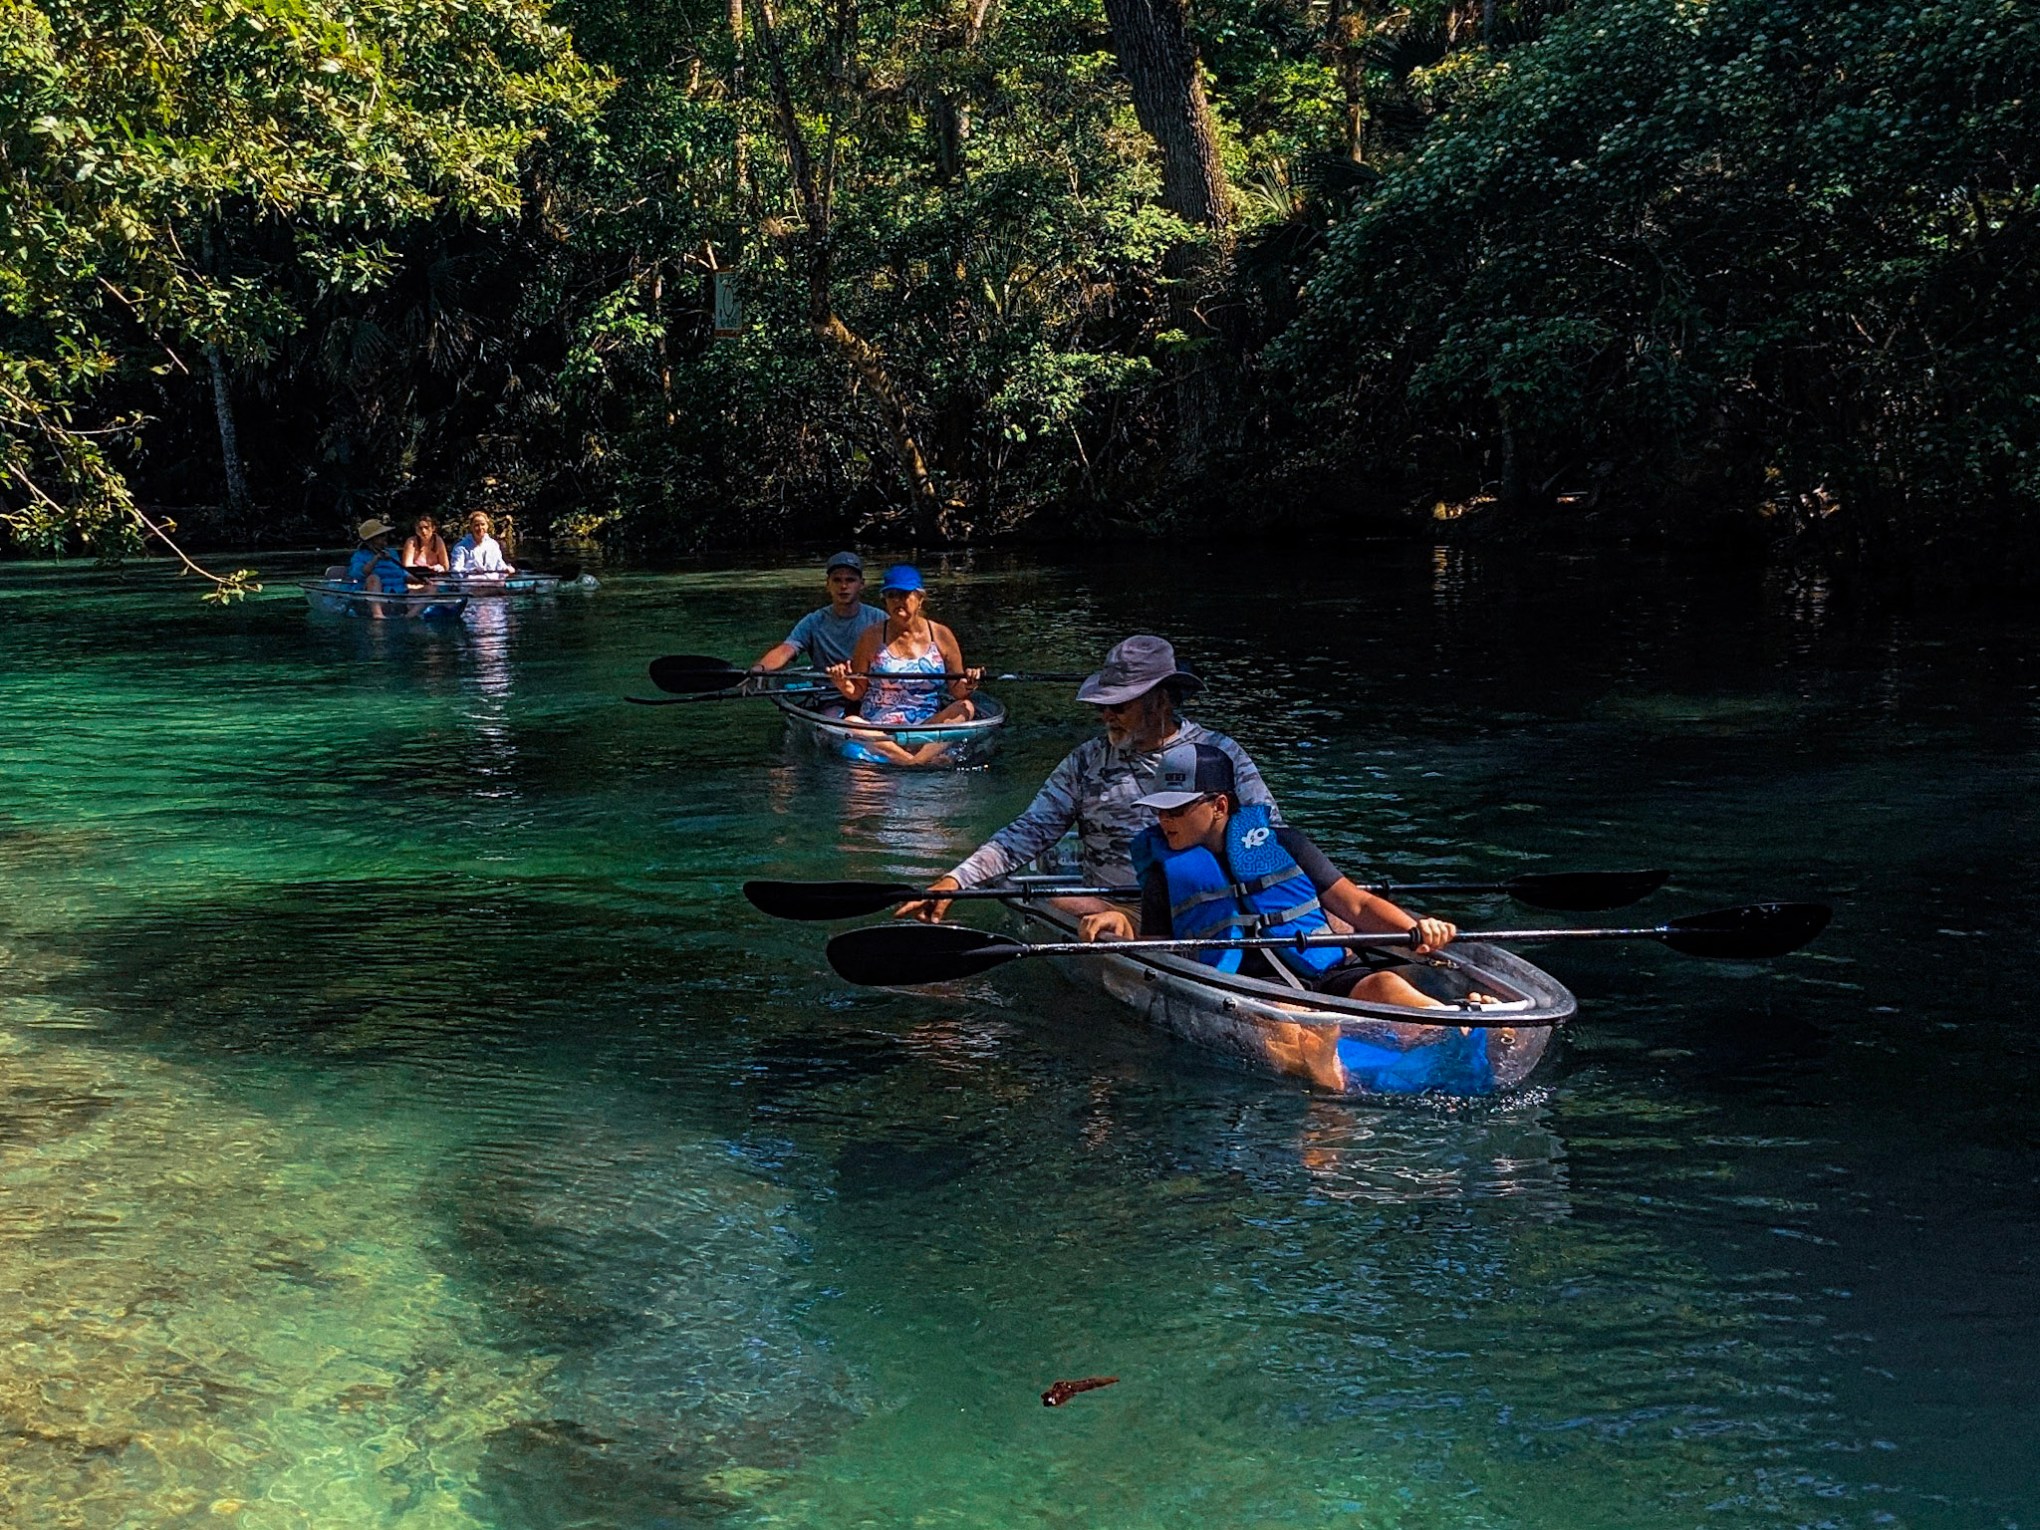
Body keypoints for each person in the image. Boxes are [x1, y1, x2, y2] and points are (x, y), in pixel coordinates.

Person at [898, 635, 1279, 921]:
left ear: (1161, 700)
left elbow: (1268, 832)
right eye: (1102, 706)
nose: (1107, 716)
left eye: (1119, 706)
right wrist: (956, 880)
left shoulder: (1220, 754)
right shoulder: (1086, 762)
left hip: (1212, 904)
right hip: (1114, 906)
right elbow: (1030, 831)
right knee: (1064, 902)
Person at [828, 564, 981, 766]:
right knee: (851, 723)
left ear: (920, 598)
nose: (898, 601)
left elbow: (957, 691)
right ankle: (914, 762)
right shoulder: (871, 636)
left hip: (925, 727)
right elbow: (857, 692)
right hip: (879, 729)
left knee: (966, 707)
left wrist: (969, 683)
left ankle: (916, 758)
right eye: (892, 595)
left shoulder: (941, 635)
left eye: (904, 595)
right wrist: (842, 682)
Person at [752, 551, 887, 672]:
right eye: (837, 580)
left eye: (850, 580)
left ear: (862, 584)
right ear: (828, 584)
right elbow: (787, 649)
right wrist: (760, 668)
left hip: (869, 694)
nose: (844, 586)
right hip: (826, 695)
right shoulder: (813, 621)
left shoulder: (879, 618)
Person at [345, 519, 414, 596]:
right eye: (382, 535)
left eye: (385, 534)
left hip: (400, 592)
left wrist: (418, 579)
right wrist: (376, 558)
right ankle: (376, 608)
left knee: (429, 589)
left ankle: (412, 608)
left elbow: (402, 574)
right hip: (376, 595)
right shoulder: (360, 555)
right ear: (371, 539)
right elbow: (358, 574)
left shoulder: (392, 553)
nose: (385, 537)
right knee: (373, 579)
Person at [449, 511, 515, 576]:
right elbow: (455, 570)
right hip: (470, 584)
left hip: (492, 584)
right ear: (471, 527)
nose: (480, 528)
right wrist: (470, 571)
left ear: (487, 526)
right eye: (476, 525)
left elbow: (499, 565)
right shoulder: (461, 547)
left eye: (483, 524)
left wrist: (507, 569)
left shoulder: (493, 545)